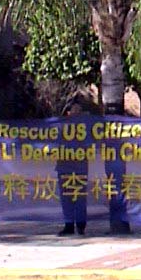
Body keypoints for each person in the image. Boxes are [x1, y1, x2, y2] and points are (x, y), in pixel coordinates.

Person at [56, 97, 90, 236]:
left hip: (80, 167)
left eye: (79, 111)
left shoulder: (86, 127)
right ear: (68, 112)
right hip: (64, 166)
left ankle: (81, 225)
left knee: (80, 197)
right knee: (66, 197)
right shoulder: (61, 126)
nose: (76, 113)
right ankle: (68, 225)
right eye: (74, 110)